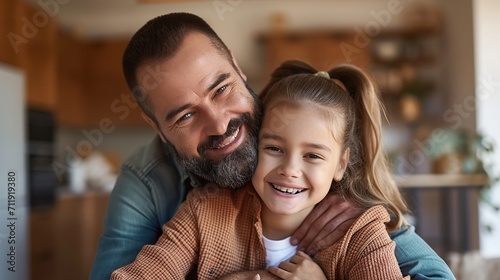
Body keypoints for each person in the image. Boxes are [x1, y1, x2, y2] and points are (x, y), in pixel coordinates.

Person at [90, 12, 454, 279]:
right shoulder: (175, 196)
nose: (219, 124)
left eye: (221, 89)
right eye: (185, 116)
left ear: (237, 66)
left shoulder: (352, 217)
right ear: (156, 127)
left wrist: (350, 194)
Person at [111, 60, 413, 280]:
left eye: (312, 155)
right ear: (255, 143)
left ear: (341, 164)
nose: (290, 170)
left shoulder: (360, 231)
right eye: (275, 149)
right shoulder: (204, 211)